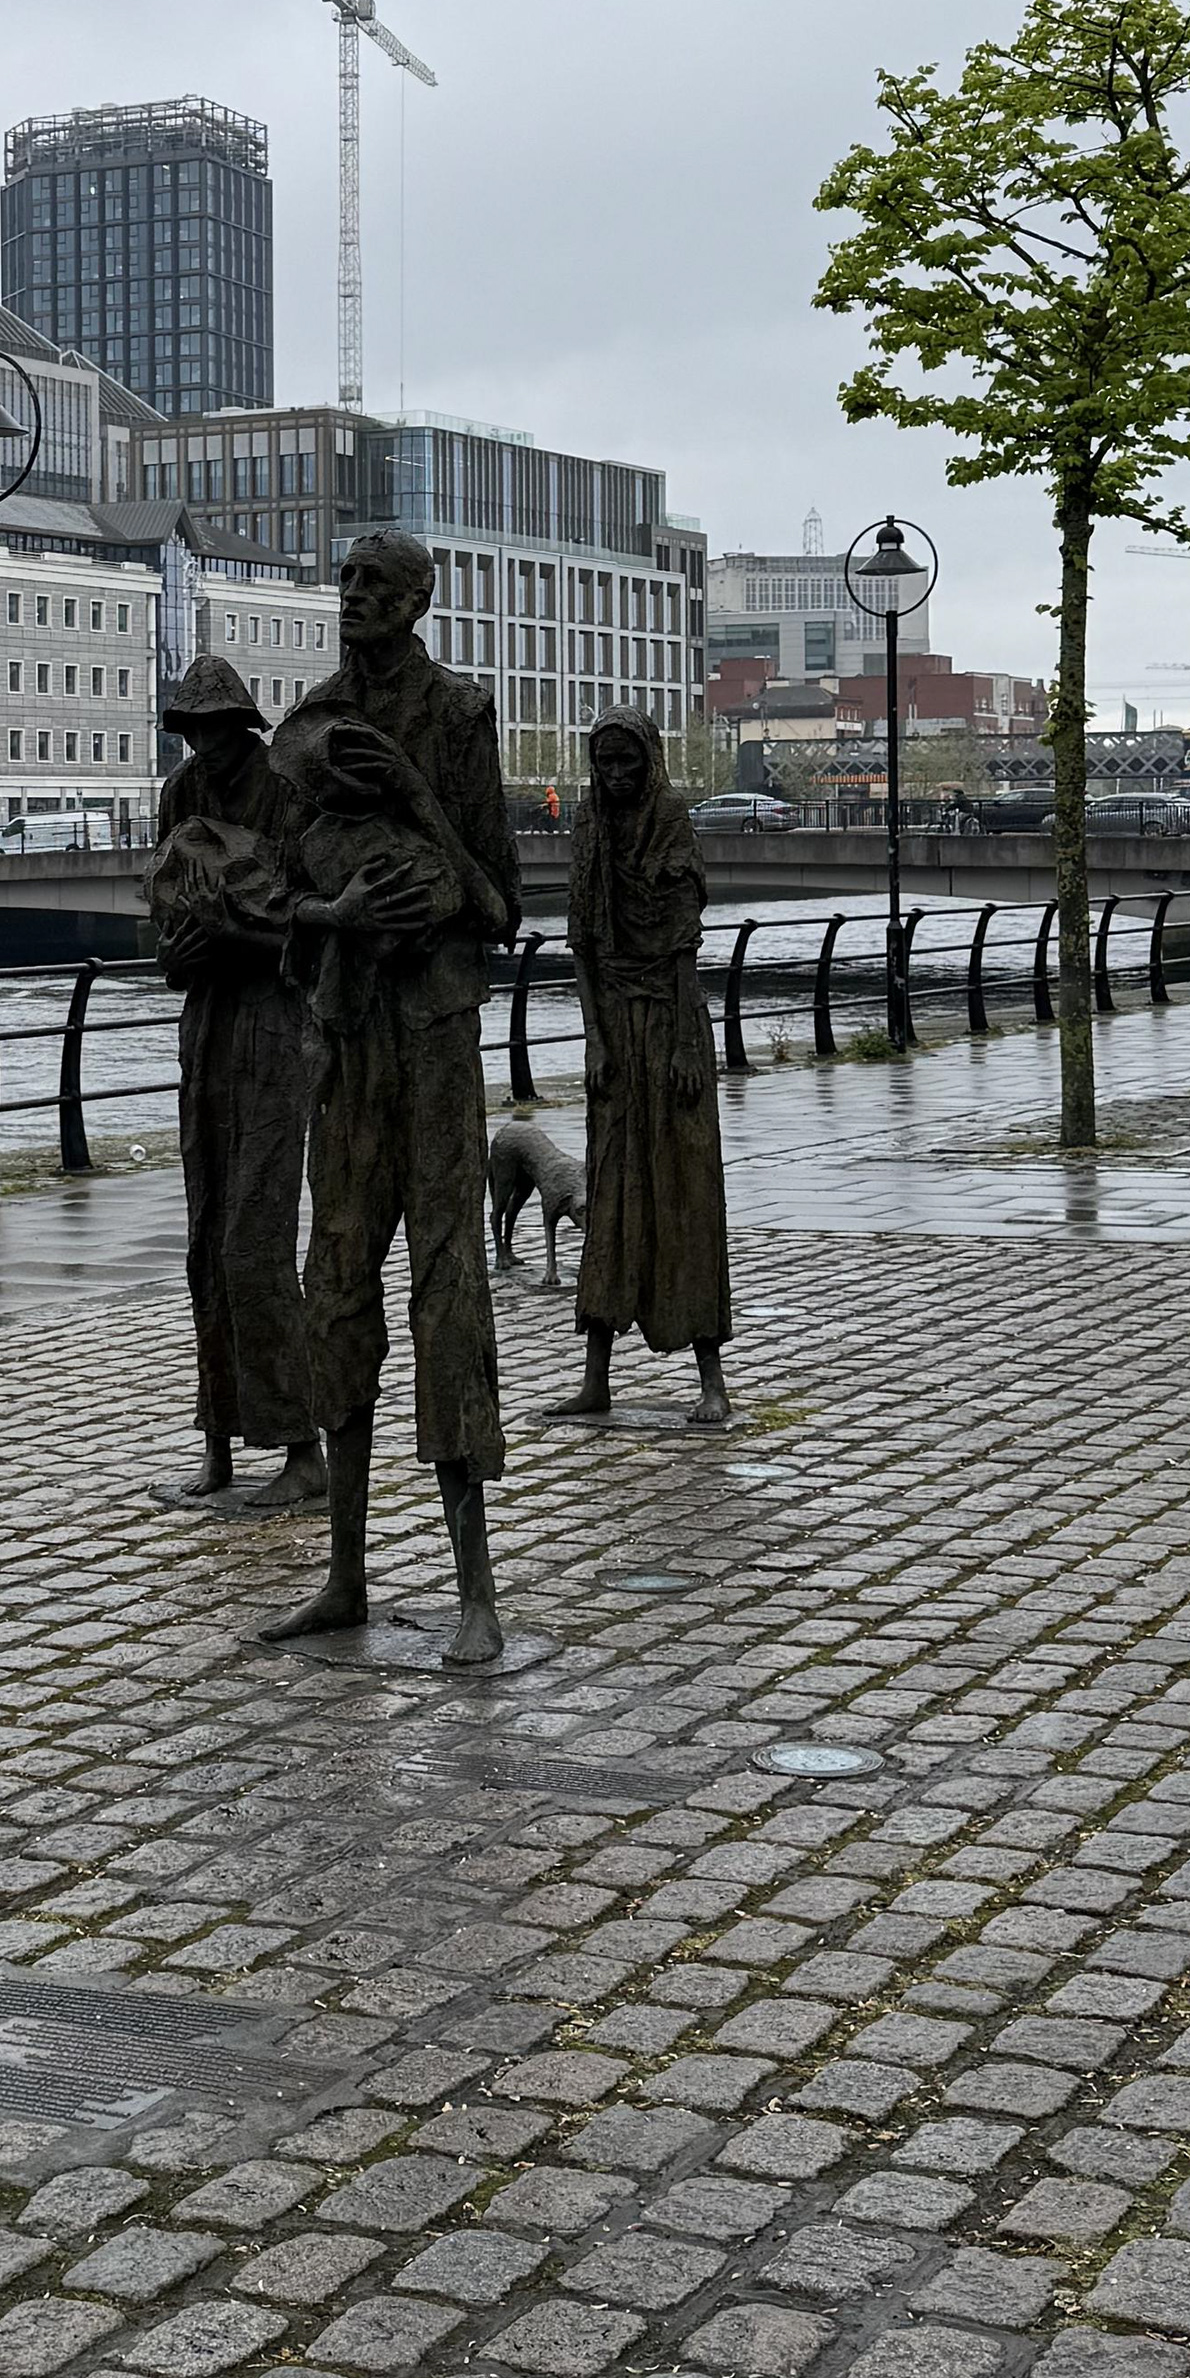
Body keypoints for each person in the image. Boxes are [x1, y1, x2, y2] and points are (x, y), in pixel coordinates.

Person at [262, 531, 521, 1668]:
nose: (353, 595)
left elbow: (499, 903)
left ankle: (476, 1589)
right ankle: (346, 1576)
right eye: (346, 579)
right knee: (336, 1288)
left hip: (433, 1037)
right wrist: (334, 919)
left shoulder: (458, 714)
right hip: (347, 1038)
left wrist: (412, 792)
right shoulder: (306, 724)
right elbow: (272, 892)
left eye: (375, 582)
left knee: (449, 1292)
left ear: (418, 599)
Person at [146, 658, 324, 1510]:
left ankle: (302, 1449)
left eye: (215, 729)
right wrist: (179, 958)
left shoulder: (288, 798)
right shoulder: (180, 798)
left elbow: (314, 938)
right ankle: (218, 1443)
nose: (203, 745)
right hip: (207, 1031)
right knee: (206, 1245)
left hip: (274, 1029)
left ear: (243, 727)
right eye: (190, 730)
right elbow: (171, 929)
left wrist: (235, 941)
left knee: (255, 1245)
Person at [549, 707, 732, 1430]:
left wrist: (688, 1043)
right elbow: (584, 948)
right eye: (605, 765)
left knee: (687, 1195)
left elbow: (684, 947)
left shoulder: (671, 822)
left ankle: (711, 1376)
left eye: (628, 764)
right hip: (617, 1035)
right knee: (611, 1193)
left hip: (672, 1023)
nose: (616, 777)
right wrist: (595, 1041)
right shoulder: (590, 827)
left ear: (649, 762)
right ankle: (595, 1373)